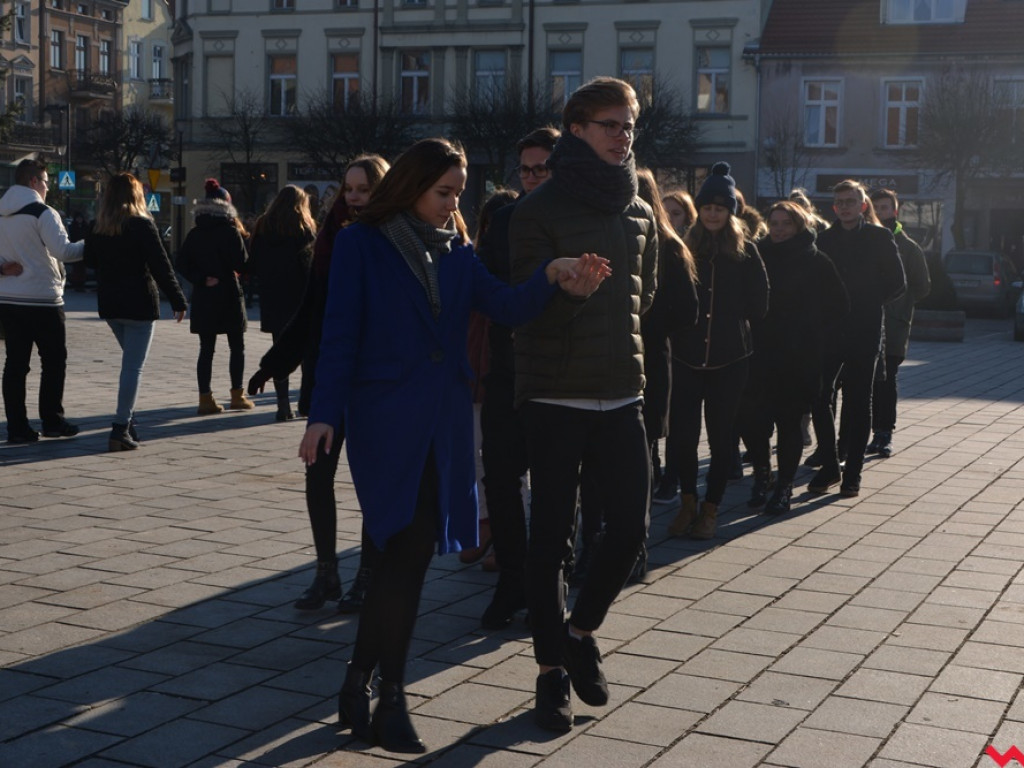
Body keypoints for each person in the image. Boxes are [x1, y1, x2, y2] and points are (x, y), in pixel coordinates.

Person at [298, 138, 608, 754]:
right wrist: (323, 415)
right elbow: (339, 334)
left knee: (402, 557)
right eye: (444, 192)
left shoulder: (458, 251)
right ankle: (390, 699)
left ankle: (359, 685)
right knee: (404, 548)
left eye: (459, 194)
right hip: (385, 422)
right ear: (412, 185)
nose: (452, 204)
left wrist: (553, 274)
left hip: (443, 422)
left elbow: (507, 307)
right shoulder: (362, 243)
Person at [508, 77, 657, 733]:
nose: (622, 136)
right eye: (609, 125)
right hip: (554, 394)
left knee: (629, 528)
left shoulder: (640, 211)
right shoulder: (536, 210)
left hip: (622, 391)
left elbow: (643, 300)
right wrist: (567, 295)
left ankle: (580, 631)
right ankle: (549, 675)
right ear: (576, 129)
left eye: (628, 126)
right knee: (551, 542)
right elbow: (521, 310)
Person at [249, 155, 390, 612]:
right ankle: (326, 573)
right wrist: (272, 364)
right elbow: (311, 312)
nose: (354, 197)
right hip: (329, 378)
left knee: (372, 483)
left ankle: (367, 576)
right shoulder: (330, 238)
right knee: (318, 475)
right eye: (349, 188)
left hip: (373, 382)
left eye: (364, 189)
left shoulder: (393, 238)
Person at [474, 126, 560, 630]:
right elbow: (485, 284)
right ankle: (511, 578)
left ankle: (550, 583)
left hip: (560, 371)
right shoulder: (504, 220)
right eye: (525, 169)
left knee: (555, 484)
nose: (531, 177)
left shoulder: (577, 218)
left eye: (540, 168)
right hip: (508, 367)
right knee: (500, 476)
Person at [665, 162, 769, 539]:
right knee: (682, 437)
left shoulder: (746, 251)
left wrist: (730, 315)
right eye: (707, 207)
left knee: (722, 436)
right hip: (686, 356)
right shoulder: (683, 247)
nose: (712, 214)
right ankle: (687, 502)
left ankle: (711, 508)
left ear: (730, 212)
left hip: (730, 359)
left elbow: (760, 304)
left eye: (719, 208)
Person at [739, 201, 847, 513]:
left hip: (799, 357)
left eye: (786, 223)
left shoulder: (816, 260)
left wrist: (815, 337)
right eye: (774, 223)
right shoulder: (756, 255)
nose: (779, 229)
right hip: (758, 354)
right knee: (752, 422)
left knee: (788, 424)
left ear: (799, 225)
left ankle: (784, 486)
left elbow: (840, 307)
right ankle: (763, 476)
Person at [808, 180, 905, 498]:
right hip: (830, 330)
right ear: (834, 207)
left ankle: (853, 473)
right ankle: (829, 463)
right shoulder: (824, 239)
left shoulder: (879, 237)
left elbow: (898, 282)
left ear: (863, 205)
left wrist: (869, 301)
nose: (845, 207)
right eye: (839, 202)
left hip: (865, 329)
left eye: (851, 201)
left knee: (859, 400)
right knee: (820, 396)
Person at [83, 173, 188, 451]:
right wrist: (178, 299)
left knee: (130, 364)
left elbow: (90, 261)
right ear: (136, 195)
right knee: (132, 368)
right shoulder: (142, 225)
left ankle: (128, 423)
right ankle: (120, 427)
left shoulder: (98, 226)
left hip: (110, 305)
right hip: (139, 304)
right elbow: (160, 265)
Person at [0, 158, 85, 444]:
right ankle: (52, 421)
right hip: (43, 300)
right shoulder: (43, 213)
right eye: (46, 182)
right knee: (53, 362)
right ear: (33, 181)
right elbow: (65, 252)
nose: (48, 188)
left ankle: (17, 428)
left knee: (15, 365)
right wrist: (92, 243)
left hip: (8, 299)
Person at [459, 187, 521, 573]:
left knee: (509, 462)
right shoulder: (473, 260)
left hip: (504, 375)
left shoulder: (519, 263)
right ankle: (486, 523)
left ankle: (509, 533)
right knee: (474, 456)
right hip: (472, 373)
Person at [636, 168, 699, 511]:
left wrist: (648, 324)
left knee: (641, 442)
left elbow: (688, 310)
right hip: (632, 353)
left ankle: (637, 520)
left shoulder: (669, 247)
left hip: (652, 354)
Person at [176, 179, 253, 415]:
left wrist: (201, 279)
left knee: (206, 349)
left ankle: (205, 398)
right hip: (229, 295)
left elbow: (181, 263)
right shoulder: (231, 232)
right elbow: (242, 264)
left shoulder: (195, 233)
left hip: (205, 297)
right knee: (236, 347)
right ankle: (237, 396)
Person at [867, 188, 931, 458]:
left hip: (893, 325)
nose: (880, 212)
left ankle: (884, 433)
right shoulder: (863, 240)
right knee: (866, 383)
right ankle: (866, 433)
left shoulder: (908, 248)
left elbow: (922, 287)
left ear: (895, 211)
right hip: (865, 321)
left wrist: (901, 305)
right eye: (876, 207)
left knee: (887, 380)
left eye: (885, 207)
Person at [249, 185, 317, 421]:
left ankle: (283, 405)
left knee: (279, 348)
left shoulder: (263, 227)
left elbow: (253, 263)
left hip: (273, 298)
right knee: (307, 351)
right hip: (300, 298)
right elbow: (311, 266)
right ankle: (307, 401)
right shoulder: (304, 228)